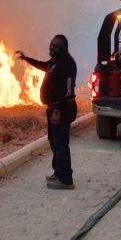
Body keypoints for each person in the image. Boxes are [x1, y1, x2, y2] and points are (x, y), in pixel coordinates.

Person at [15, 34, 78, 190]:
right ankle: (59, 172)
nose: (51, 47)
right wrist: (26, 59)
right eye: (50, 44)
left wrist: (58, 112)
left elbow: (67, 91)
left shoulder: (67, 63)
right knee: (55, 142)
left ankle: (66, 180)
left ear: (63, 47)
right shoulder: (56, 62)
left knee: (61, 144)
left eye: (55, 45)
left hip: (62, 108)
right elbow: (44, 65)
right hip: (53, 107)